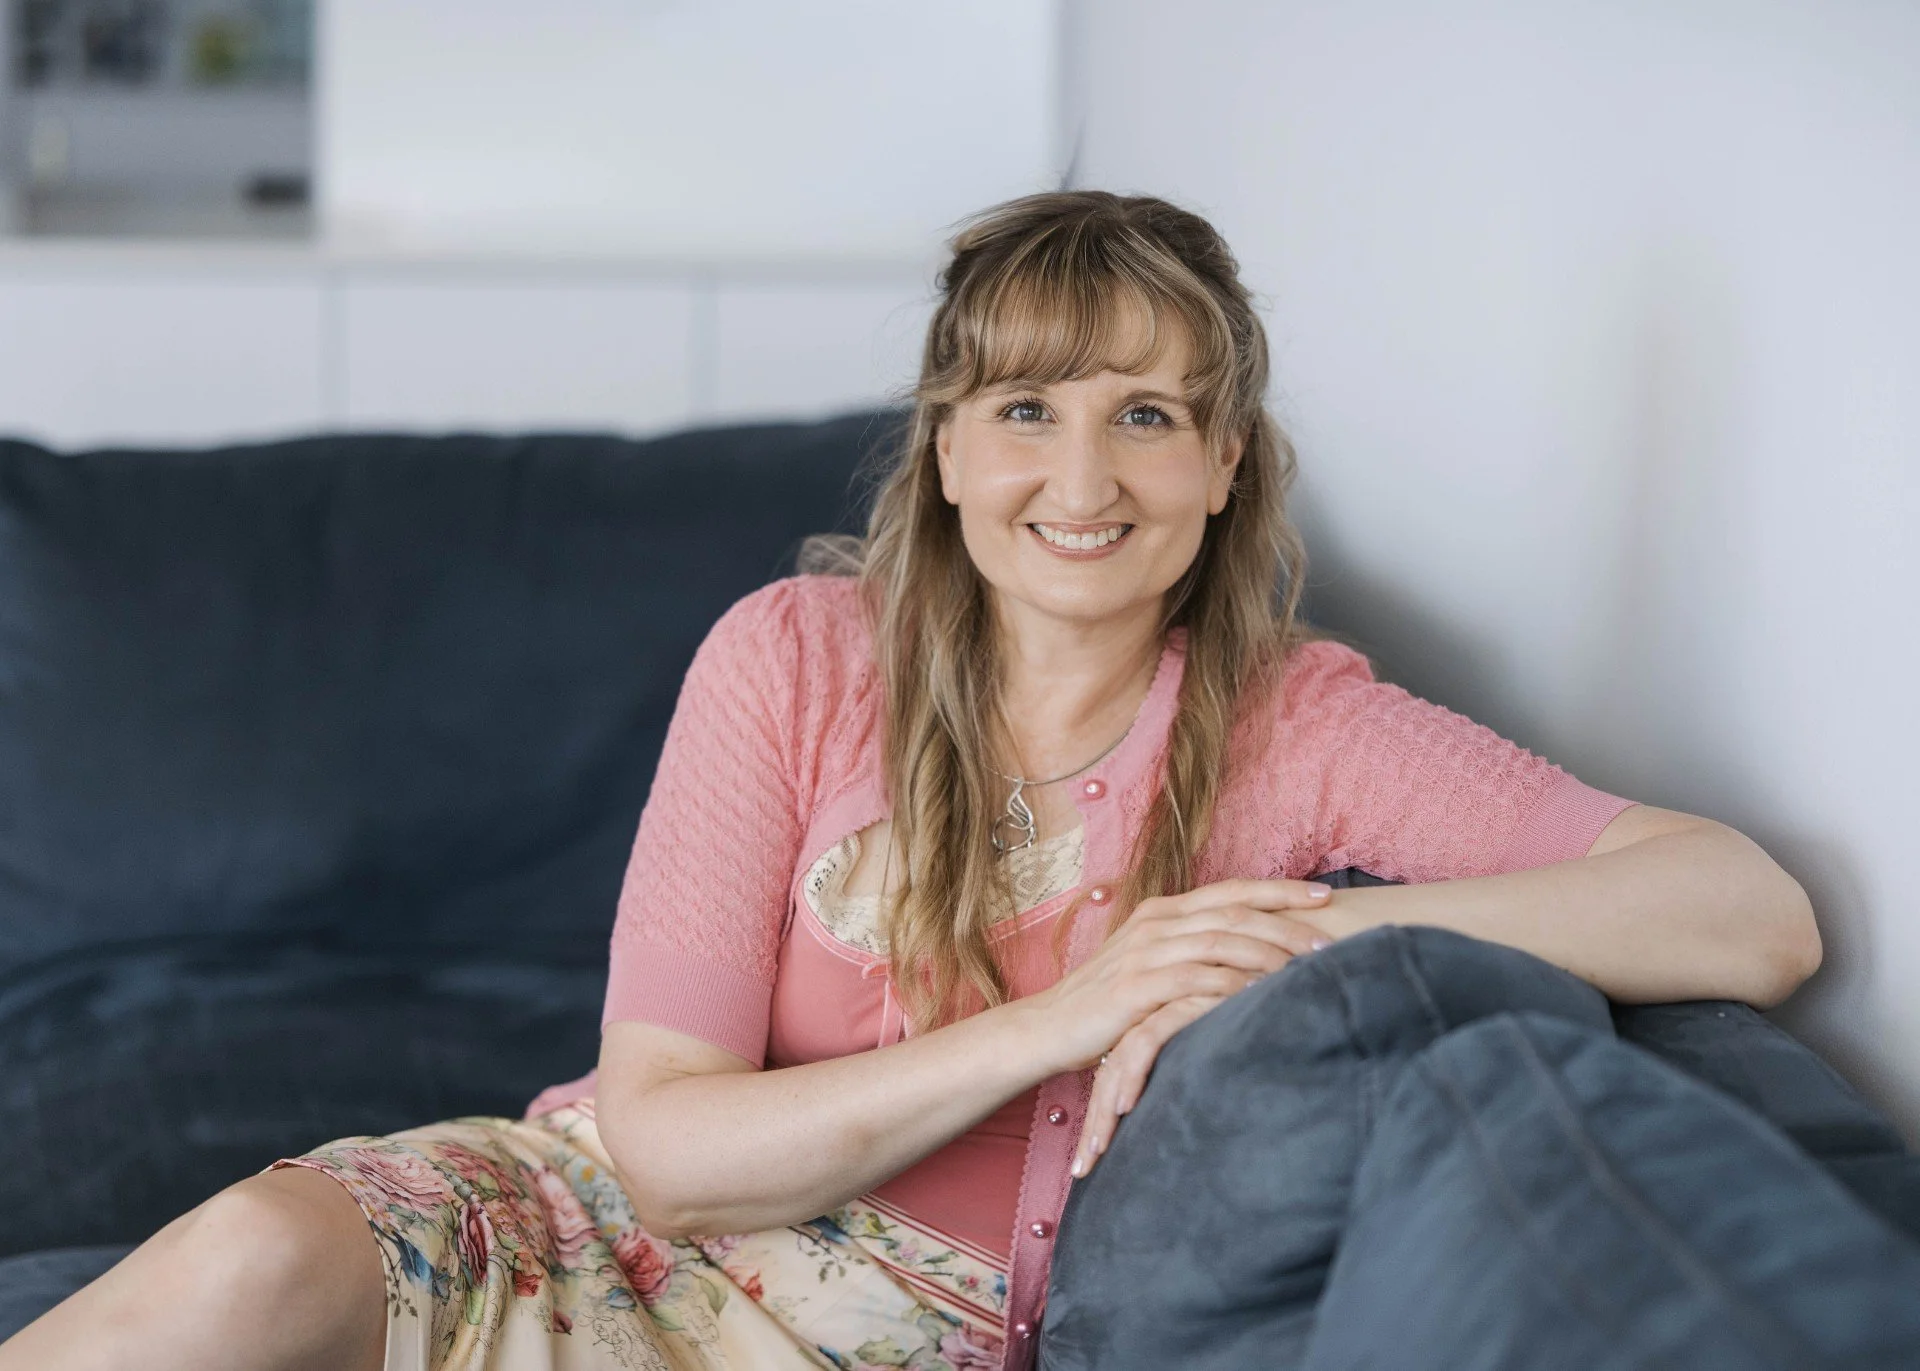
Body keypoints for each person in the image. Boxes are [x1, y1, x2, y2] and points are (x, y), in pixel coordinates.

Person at [0, 191, 1853, 1371]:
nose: (1084, 473)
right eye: (1027, 408)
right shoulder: (795, 656)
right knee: (248, 1253)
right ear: (948, 450)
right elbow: (666, 1139)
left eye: (1149, 413)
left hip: (911, 1329)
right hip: (594, 1219)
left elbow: (1745, 911)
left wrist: (1270, 941)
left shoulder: (1300, 721)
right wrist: (1081, 1011)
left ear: (1226, 467)